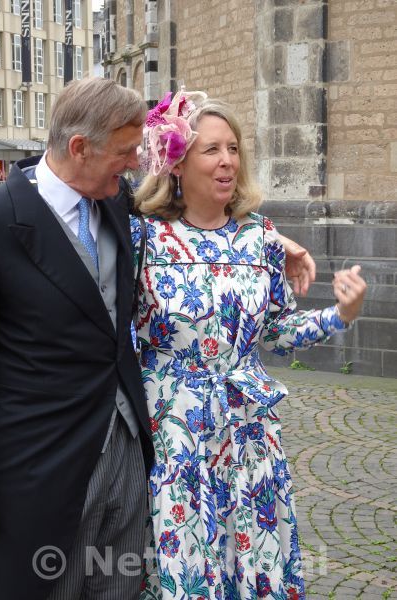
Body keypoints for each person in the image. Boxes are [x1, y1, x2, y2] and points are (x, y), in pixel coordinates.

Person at [130, 90, 367, 599]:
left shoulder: (260, 238)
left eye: (234, 149)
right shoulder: (143, 238)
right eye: (211, 149)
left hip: (250, 433)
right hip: (178, 434)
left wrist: (341, 314)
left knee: (255, 559)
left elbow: (279, 333)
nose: (227, 161)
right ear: (177, 162)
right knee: (188, 566)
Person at [0, 77, 154, 600]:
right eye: (126, 152)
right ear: (80, 147)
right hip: (36, 466)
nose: (134, 164)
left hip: (125, 449)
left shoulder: (116, 202)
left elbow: (191, 215)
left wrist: (274, 241)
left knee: (120, 586)